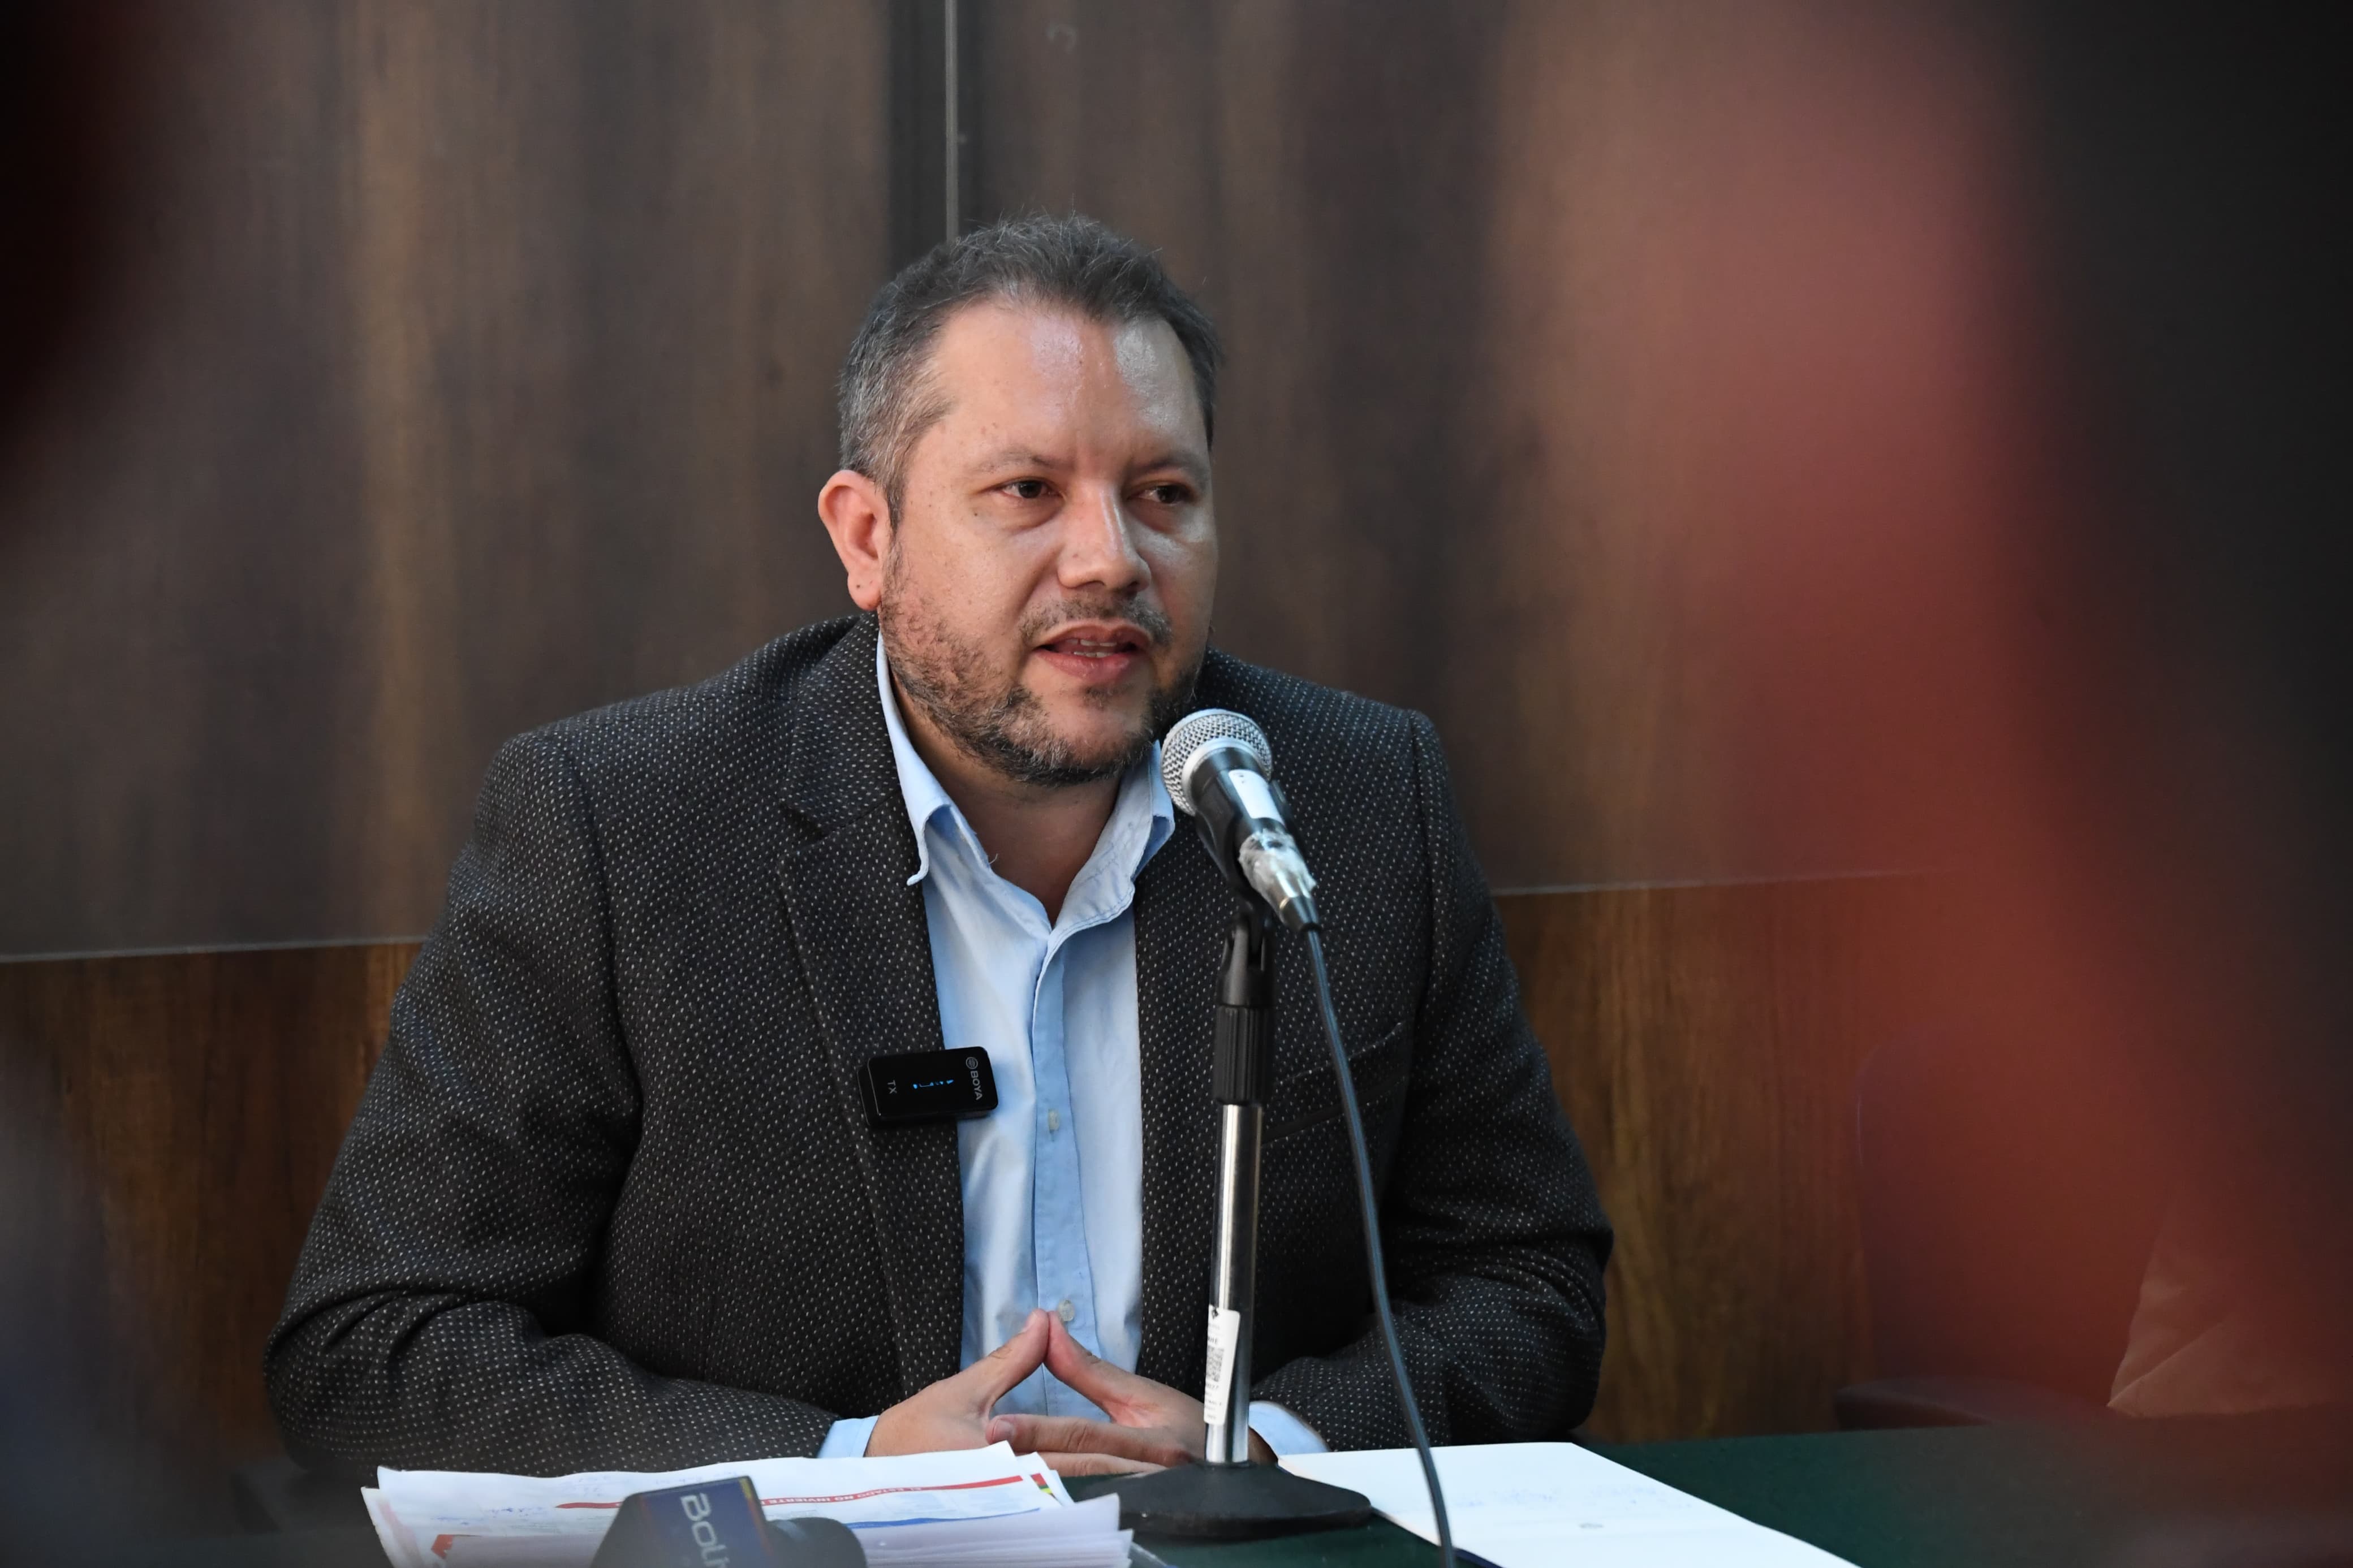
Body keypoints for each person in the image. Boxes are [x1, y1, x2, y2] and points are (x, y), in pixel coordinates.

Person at [266, 214, 1610, 1478]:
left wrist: (1255, 1446)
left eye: (1162, 493)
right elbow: (373, 1343)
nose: (1109, 559)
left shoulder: (1355, 802)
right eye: (1027, 491)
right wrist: (844, 1469)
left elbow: (1530, 1281)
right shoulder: (621, 826)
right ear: (869, 537)